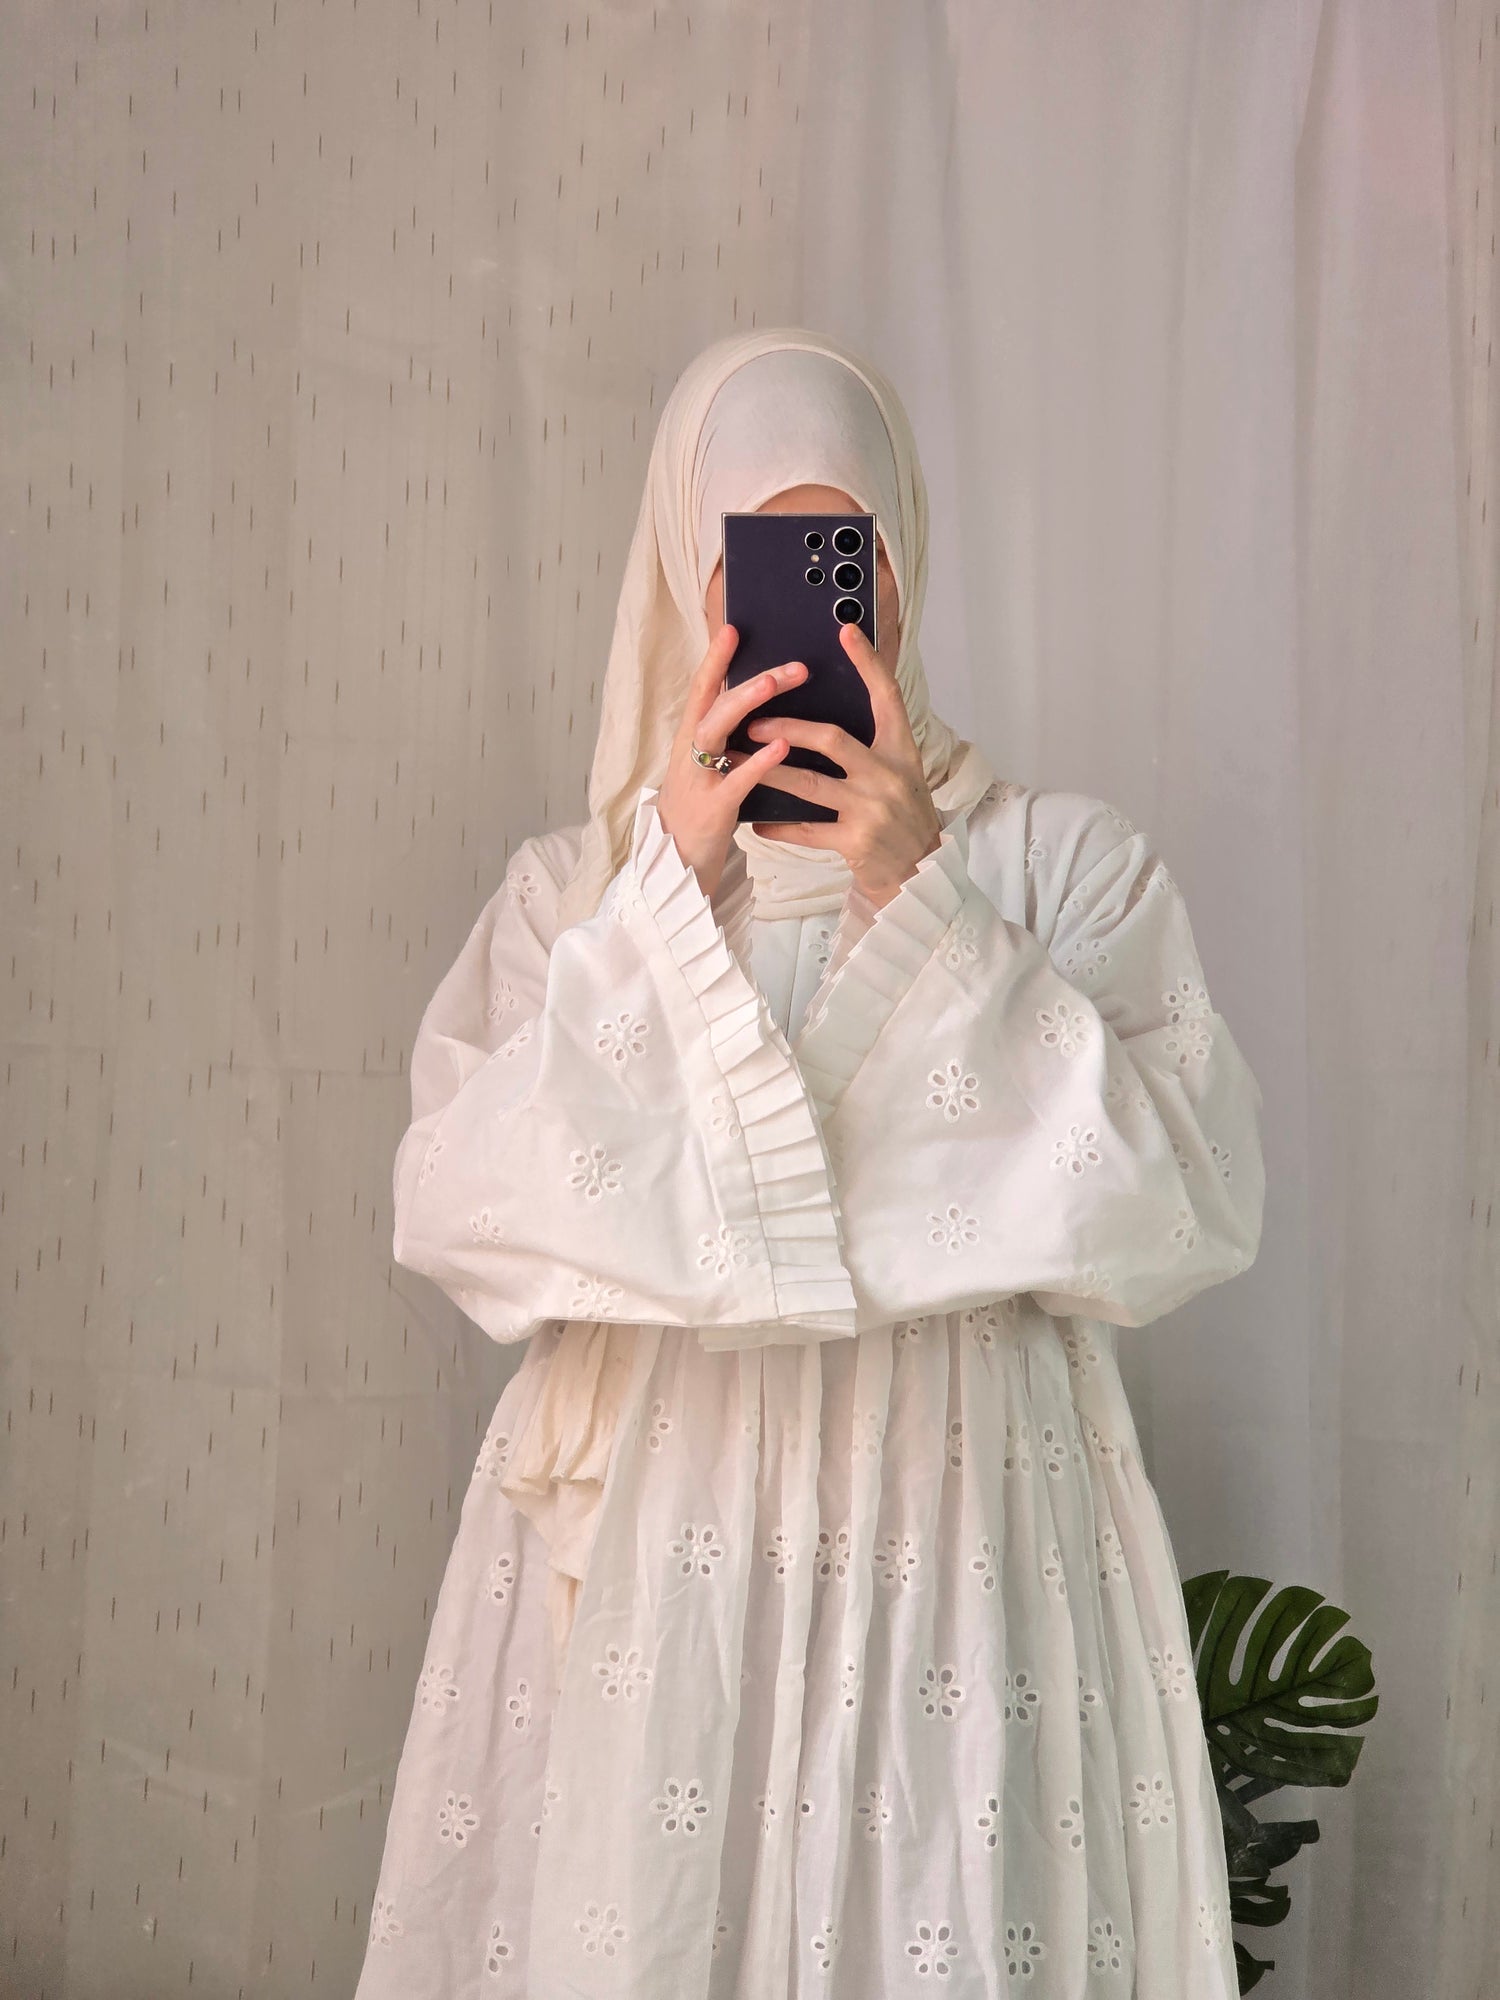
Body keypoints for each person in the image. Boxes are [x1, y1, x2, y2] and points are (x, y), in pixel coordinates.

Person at [353, 327, 1265, 1998]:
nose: (819, 619)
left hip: (967, 1531)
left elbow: (1190, 1209)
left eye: (849, 562)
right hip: (655, 1536)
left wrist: (936, 918)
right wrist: (666, 894)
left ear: (906, 567)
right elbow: (458, 1207)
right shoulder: (576, 895)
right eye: (766, 568)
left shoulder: (1059, 869)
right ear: (690, 584)